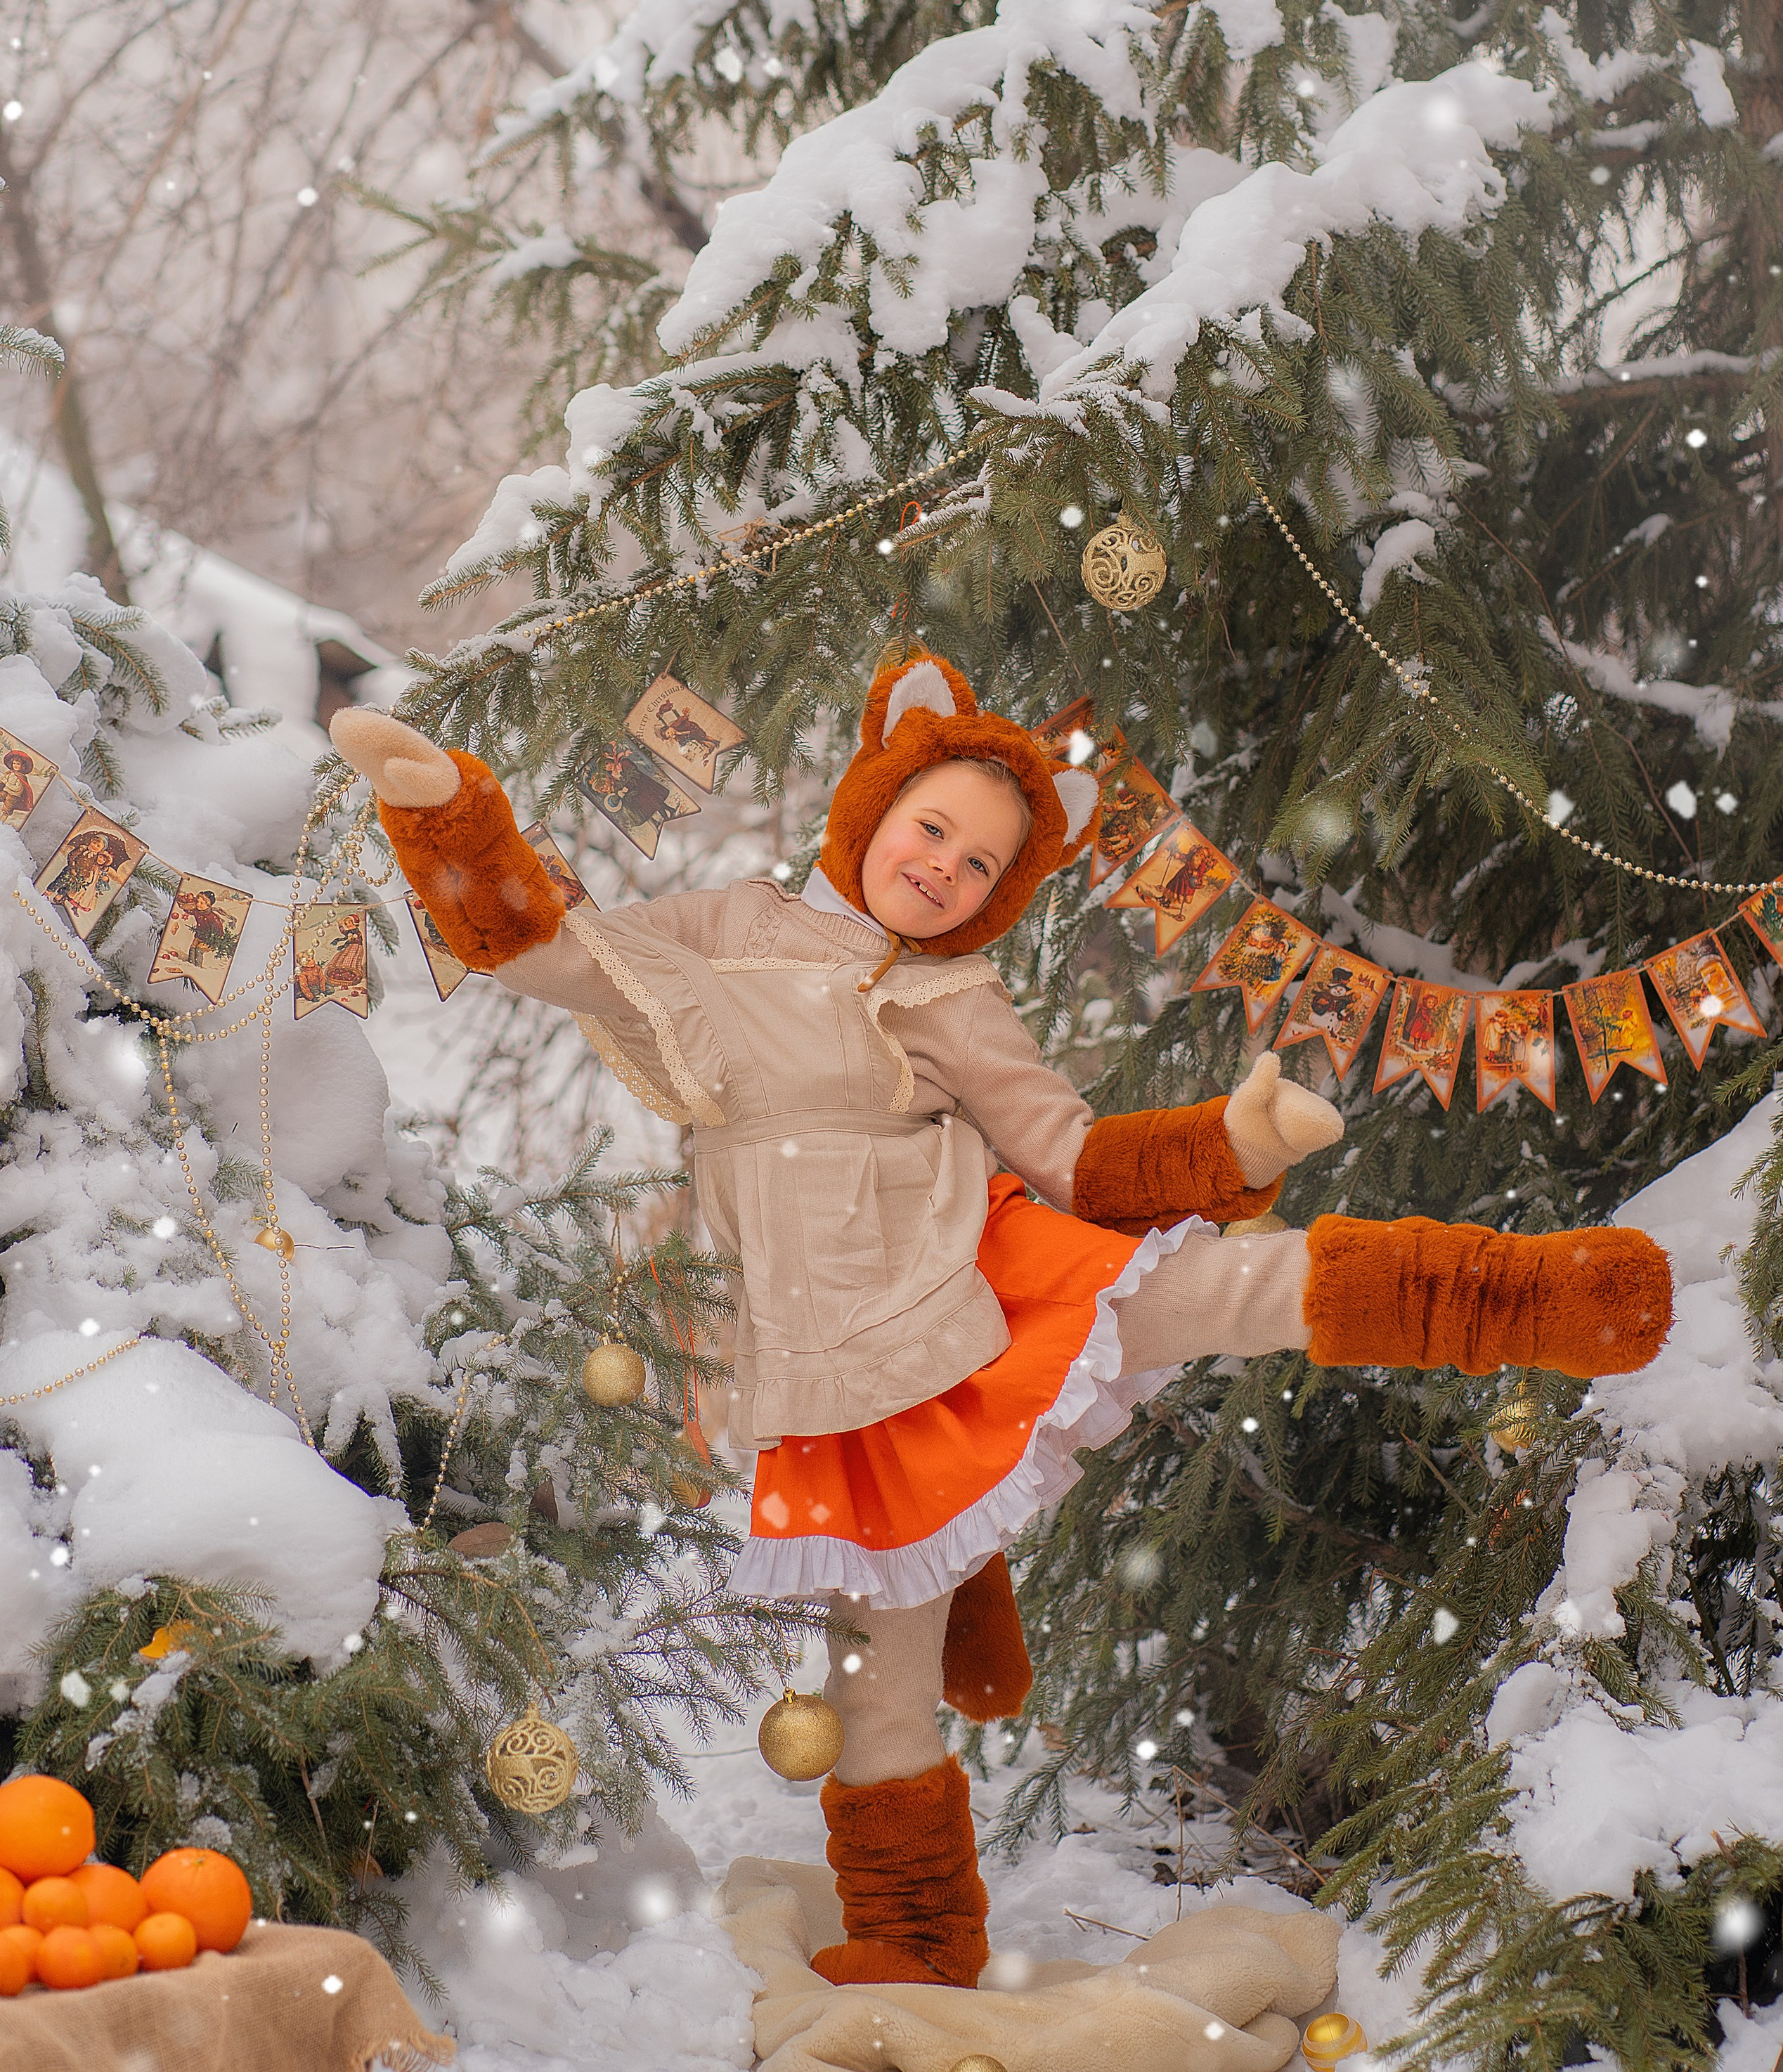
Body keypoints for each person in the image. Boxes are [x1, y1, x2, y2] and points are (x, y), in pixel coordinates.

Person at [332, 653, 1671, 1990]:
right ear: (872, 801)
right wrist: (448, 812)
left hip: (971, 1265)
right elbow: (550, 948)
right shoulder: (724, 927)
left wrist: (1229, 1139)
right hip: (820, 1340)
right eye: (932, 830)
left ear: (1002, 898)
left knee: (1233, 1290)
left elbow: (1076, 1156)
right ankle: (917, 1944)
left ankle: (1533, 1296)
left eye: (980, 866)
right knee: (876, 1678)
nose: (944, 871)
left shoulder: (951, 998)